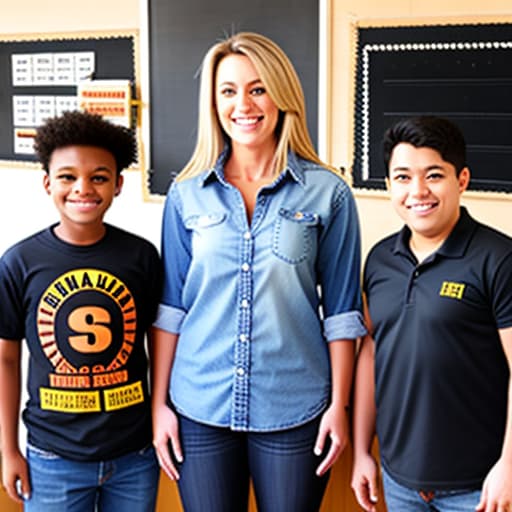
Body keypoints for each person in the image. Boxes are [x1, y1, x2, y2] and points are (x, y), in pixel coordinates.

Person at [151, 31, 366, 512]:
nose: (243, 104)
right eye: (228, 90)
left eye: (258, 88)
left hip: (295, 406)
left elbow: (343, 312)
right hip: (199, 405)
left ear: (282, 95)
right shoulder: (186, 194)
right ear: (213, 101)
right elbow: (171, 308)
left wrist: (339, 406)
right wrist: (159, 405)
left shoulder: (327, 193)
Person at [0, 110, 162, 511]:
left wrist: (162, 420)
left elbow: (159, 345)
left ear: (118, 185)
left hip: (134, 455)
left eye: (99, 177)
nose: (83, 188)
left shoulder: (141, 257)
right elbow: (5, 358)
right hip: (52, 458)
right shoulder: (19, 262)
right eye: (68, 176)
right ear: (47, 183)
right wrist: (8, 450)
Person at [351, 116, 512, 512]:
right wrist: (361, 451)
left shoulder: (499, 259)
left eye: (434, 175)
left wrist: (509, 465)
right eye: (403, 177)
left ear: (462, 180)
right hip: (398, 479)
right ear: (388, 185)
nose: (418, 191)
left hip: (479, 487)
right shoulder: (379, 260)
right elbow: (372, 352)